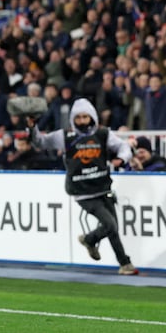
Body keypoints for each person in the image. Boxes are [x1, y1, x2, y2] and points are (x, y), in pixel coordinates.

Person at [26, 98, 138, 275]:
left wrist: (122, 158)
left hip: (102, 186)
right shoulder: (65, 136)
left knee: (113, 227)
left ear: (92, 117)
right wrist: (32, 127)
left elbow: (123, 145)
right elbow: (40, 142)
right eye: (78, 118)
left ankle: (123, 263)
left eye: (85, 117)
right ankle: (92, 242)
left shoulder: (103, 134)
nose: (82, 121)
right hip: (82, 191)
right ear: (73, 119)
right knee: (110, 225)